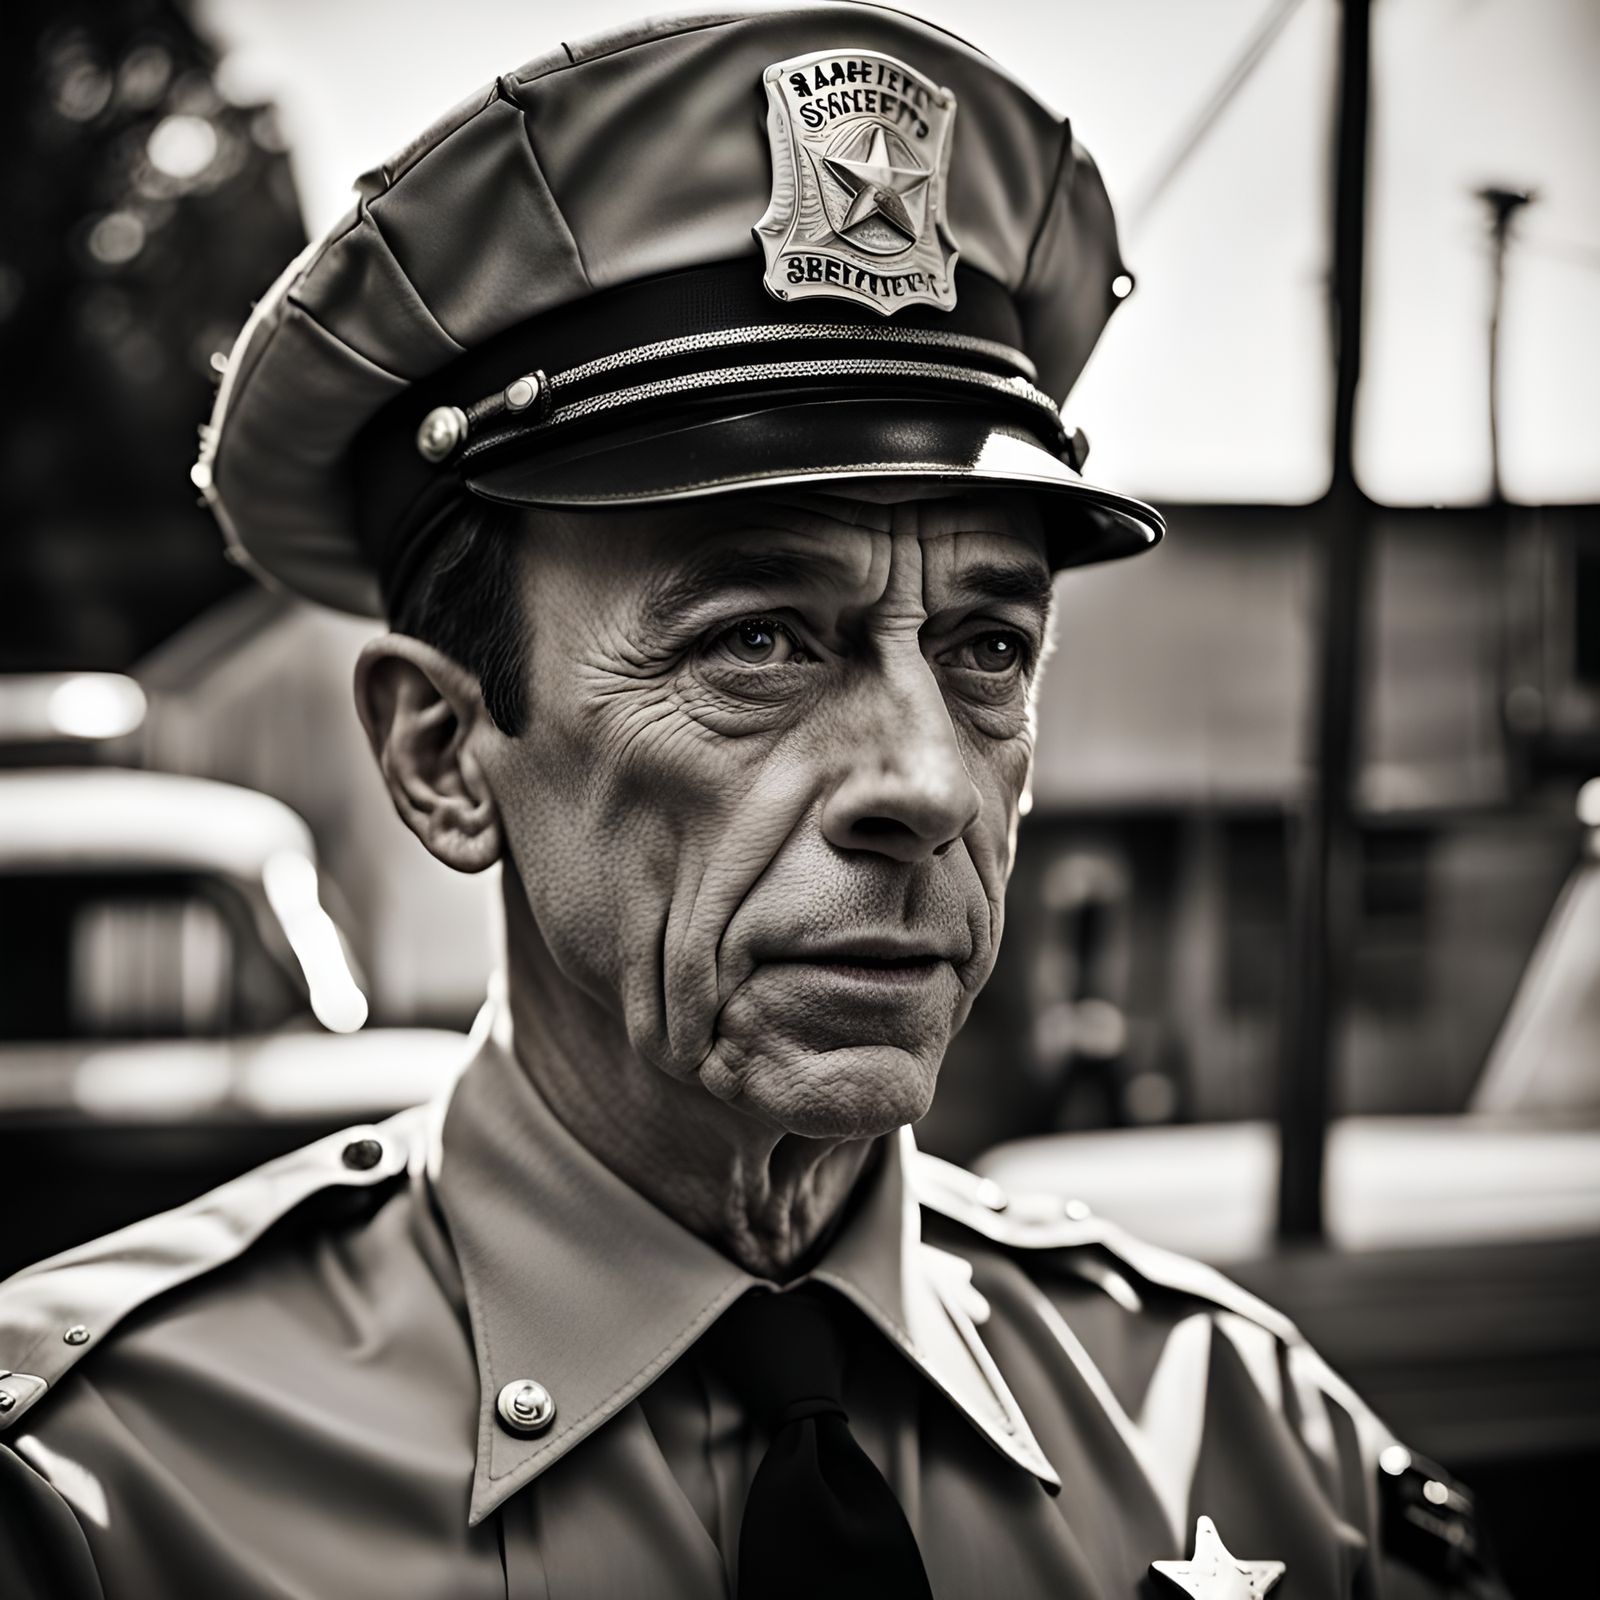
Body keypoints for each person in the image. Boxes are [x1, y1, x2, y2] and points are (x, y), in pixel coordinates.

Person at [0, 5, 1503, 1596]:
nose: (927, 783)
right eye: (760, 642)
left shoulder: (1248, 1445)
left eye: (989, 647)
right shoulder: (101, 1498)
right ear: (443, 755)